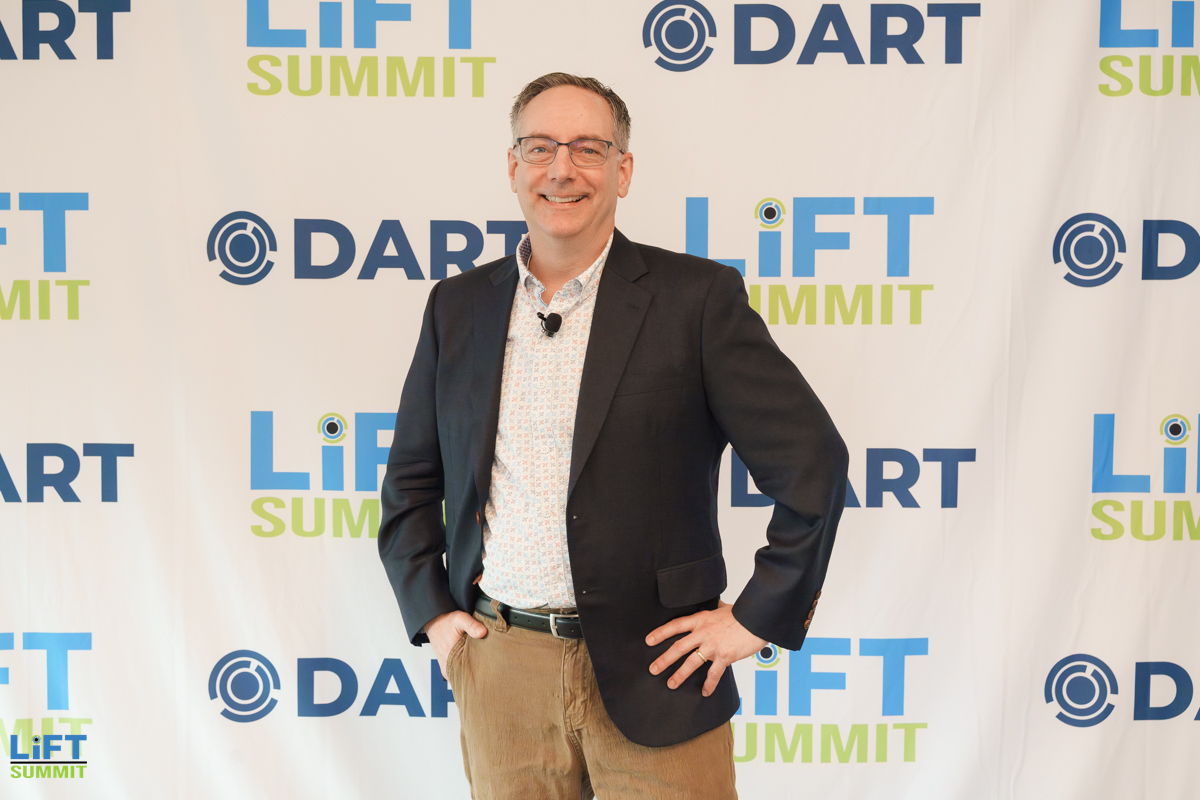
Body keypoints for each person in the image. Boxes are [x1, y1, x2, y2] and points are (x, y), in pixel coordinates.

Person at [378, 72, 848, 799]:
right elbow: (412, 478)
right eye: (540, 147)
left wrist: (759, 616)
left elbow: (812, 463)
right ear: (513, 166)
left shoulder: (696, 300)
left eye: (588, 149)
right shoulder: (457, 307)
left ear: (622, 171)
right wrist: (434, 614)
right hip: (502, 668)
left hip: (661, 667)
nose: (561, 169)